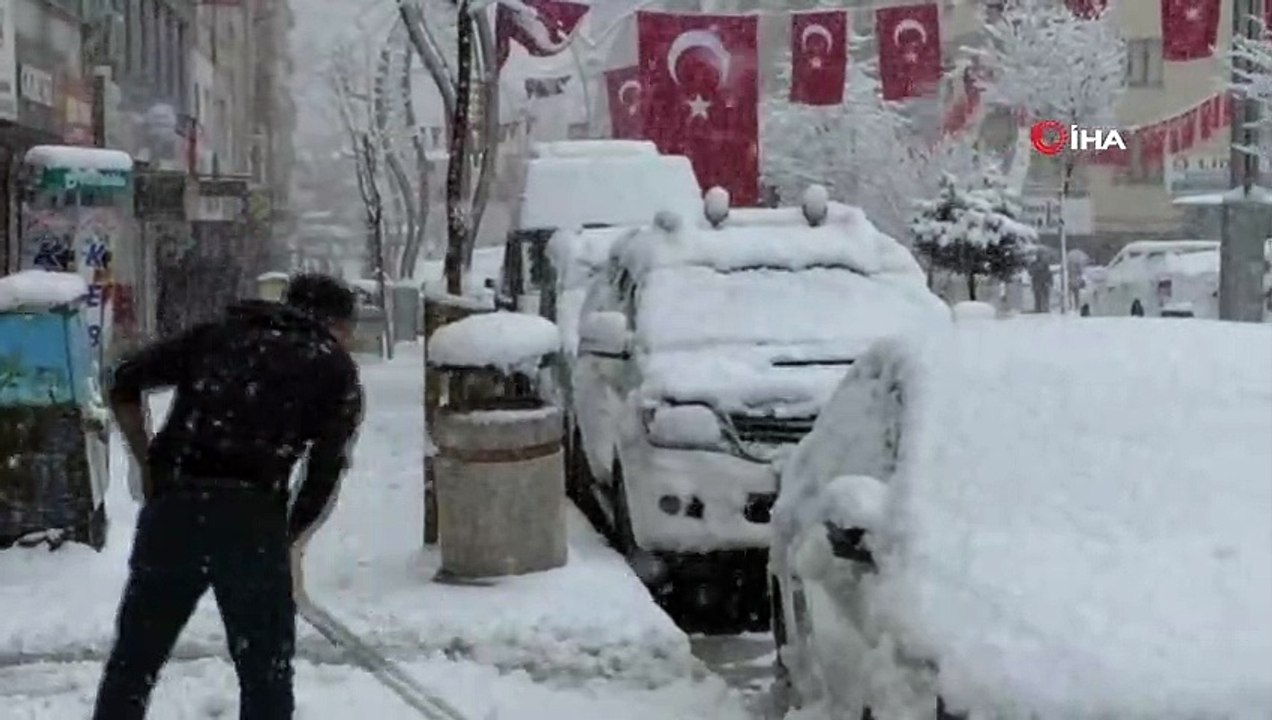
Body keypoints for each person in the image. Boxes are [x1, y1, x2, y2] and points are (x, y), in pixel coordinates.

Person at [92, 273, 364, 720]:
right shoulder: (333, 368)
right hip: (252, 521)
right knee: (265, 674)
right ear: (334, 323)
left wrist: (148, 462)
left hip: (175, 512)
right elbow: (324, 471)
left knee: (135, 661)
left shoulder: (218, 336)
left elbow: (125, 381)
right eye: (348, 330)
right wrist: (289, 536)